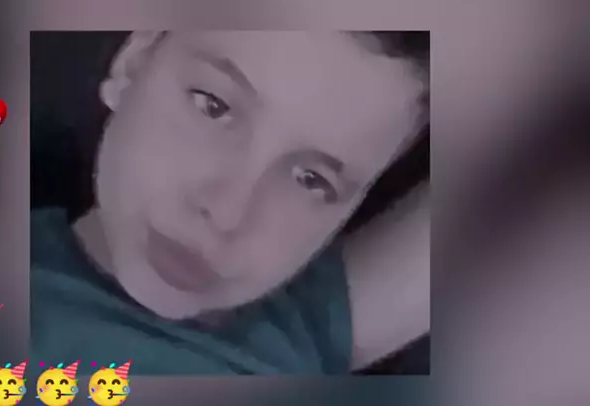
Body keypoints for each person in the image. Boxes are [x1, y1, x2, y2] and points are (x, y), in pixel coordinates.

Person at [30, 31, 429, 374]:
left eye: (312, 180)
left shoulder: (300, 327)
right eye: (213, 106)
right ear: (134, 62)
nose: (227, 215)